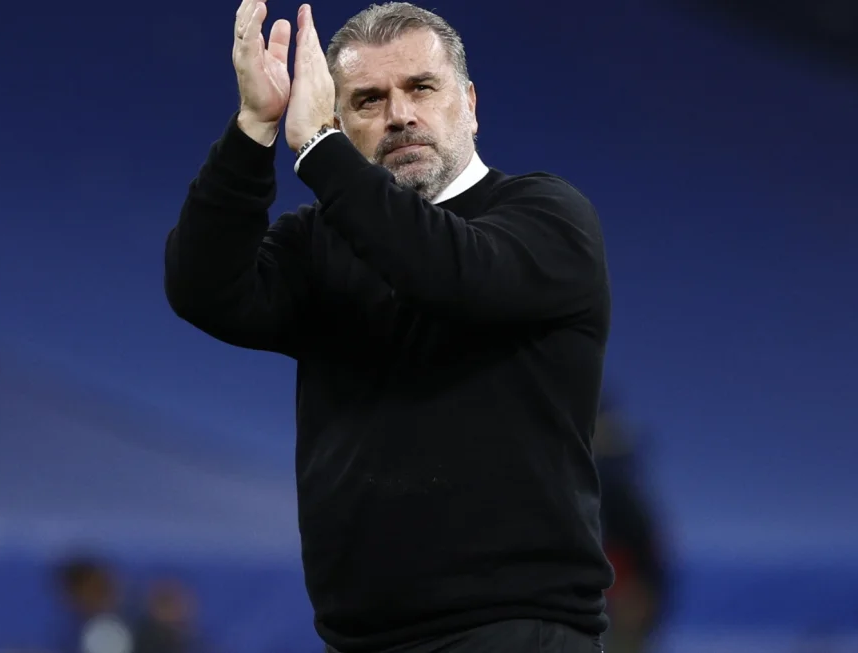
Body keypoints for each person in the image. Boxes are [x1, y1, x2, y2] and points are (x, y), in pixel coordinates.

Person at [164, 1, 613, 651]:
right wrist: (253, 130)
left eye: (420, 88)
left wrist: (318, 151)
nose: (399, 115)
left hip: (515, 630)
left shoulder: (546, 217)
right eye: (367, 100)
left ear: (469, 102)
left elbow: (446, 273)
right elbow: (202, 291)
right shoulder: (318, 242)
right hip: (360, 639)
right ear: (340, 121)